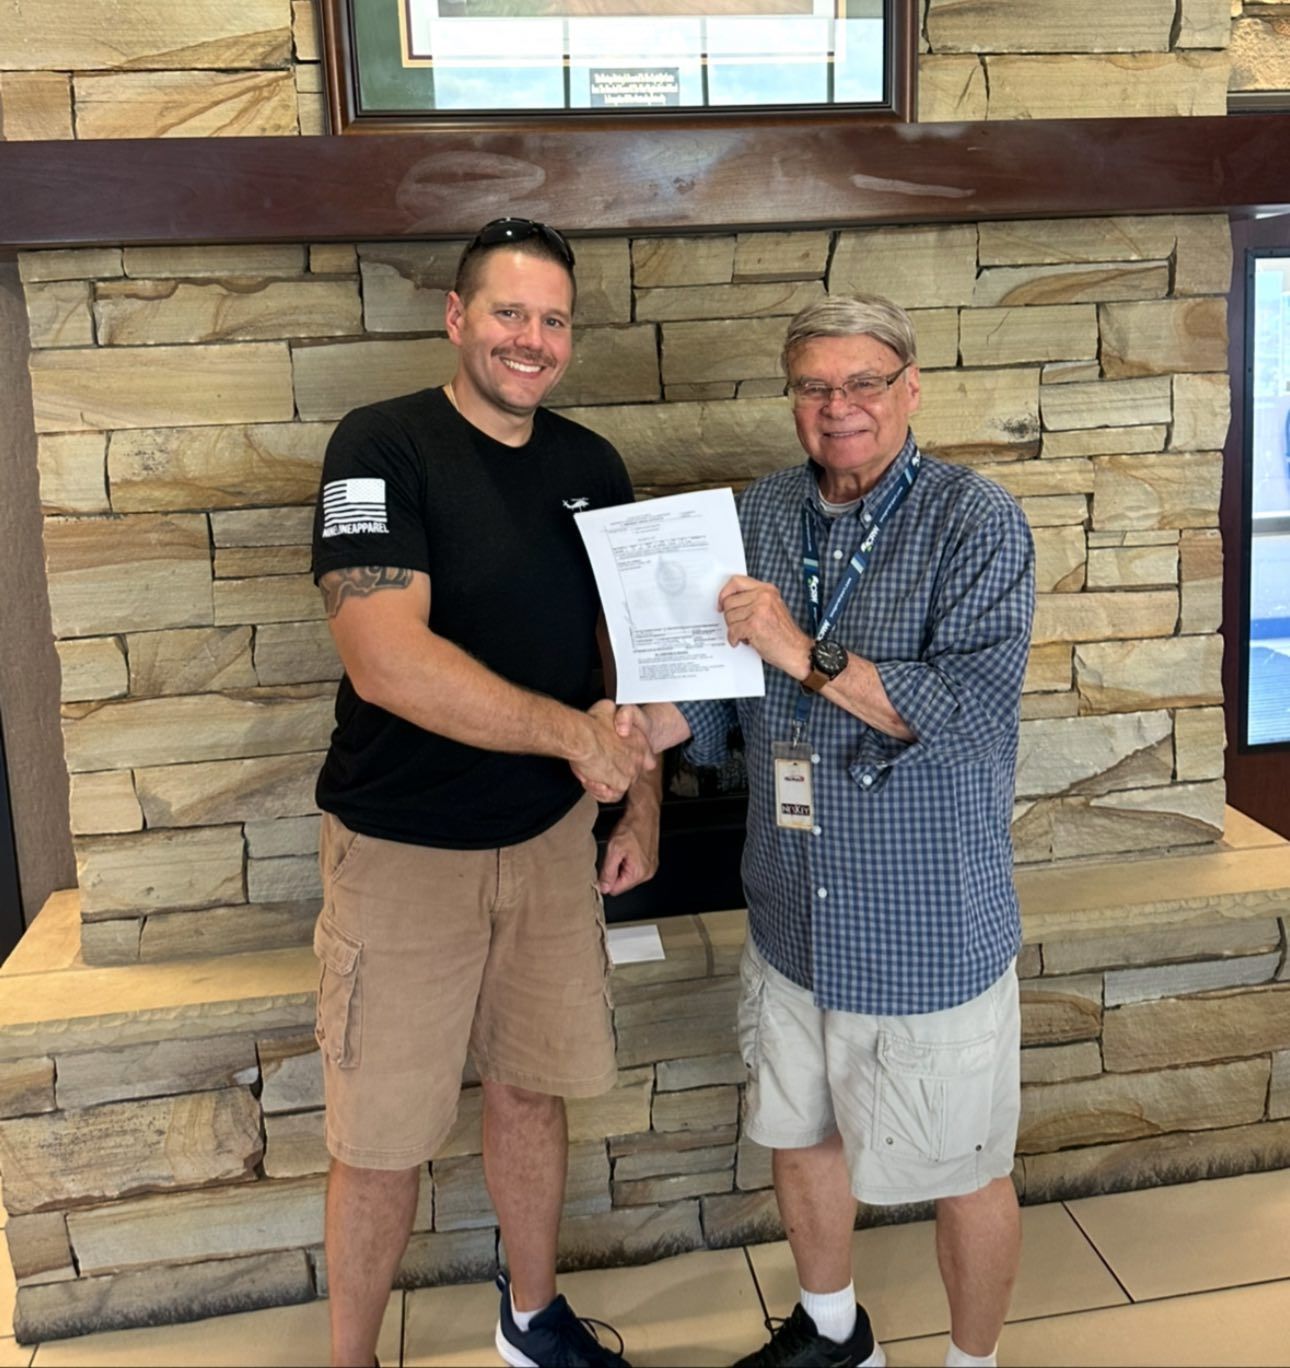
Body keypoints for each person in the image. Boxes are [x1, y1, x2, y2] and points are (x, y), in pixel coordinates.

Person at [629, 295, 1035, 1368]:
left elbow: (963, 716)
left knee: (966, 1168)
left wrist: (800, 648)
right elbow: (719, 694)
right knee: (798, 1135)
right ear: (793, 399)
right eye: (815, 386)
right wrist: (629, 727)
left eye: (863, 383)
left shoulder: (974, 519)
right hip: (791, 912)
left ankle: (970, 1364)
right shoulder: (759, 512)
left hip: (923, 926)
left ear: (910, 389)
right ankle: (831, 1333)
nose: (839, 406)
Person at [309, 218, 658, 1368]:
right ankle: (351, 1357)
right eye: (509, 313)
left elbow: (626, 656)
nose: (532, 339)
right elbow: (384, 658)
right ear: (458, 318)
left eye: (554, 319)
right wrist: (571, 737)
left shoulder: (590, 467)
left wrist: (639, 799)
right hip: (403, 852)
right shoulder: (380, 448)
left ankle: (530, 1319)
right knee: (381, 1137)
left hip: (551, 844)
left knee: (534, 1089)